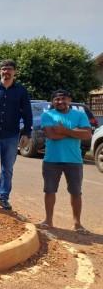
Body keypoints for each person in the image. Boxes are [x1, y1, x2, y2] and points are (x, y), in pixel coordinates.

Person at [37, 89, 91, 234]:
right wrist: (74, 132)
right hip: (51, 160)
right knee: (49, 190)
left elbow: (86, 134)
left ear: (69, 100)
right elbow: (51, 134)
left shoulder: (80, 115)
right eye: (57, 99)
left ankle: (77, 223)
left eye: (64, 99)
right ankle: (48, 221)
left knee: (76, 192)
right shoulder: (47, 115)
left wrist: (63, 130)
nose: (60, 102)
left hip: (74, 160)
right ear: (53, 102)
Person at [0, 59, 32, 210]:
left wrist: (27, 134)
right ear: (0, 71)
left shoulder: (21, 90)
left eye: (9, 69)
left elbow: (27, 113)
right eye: (4, 69)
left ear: (15, 72)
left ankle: (3, 198)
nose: (6, 72)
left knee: (7, 168)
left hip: (11, 136)